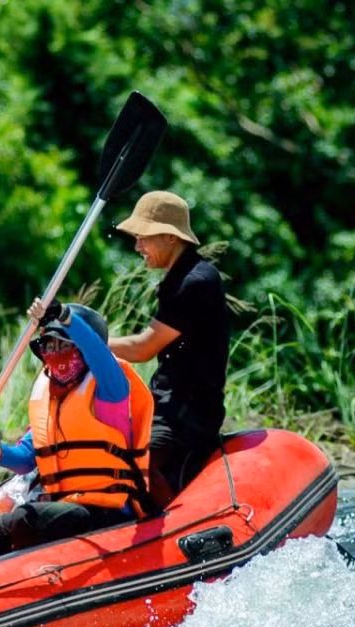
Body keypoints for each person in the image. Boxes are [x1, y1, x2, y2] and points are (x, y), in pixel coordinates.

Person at [30, 190, 227, 505]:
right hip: (166, 403)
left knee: (139, 463)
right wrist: (69, 337)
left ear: (169, 238)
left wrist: (81, 342)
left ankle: (162, 528)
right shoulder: (177, 279)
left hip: (189, 413)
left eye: (143, 238)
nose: (137, 247)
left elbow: (143, 347)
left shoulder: (196, 281)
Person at [0, 303, 153, 554]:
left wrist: (65, 316)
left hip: (108, 508)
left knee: (26, 519)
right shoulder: (49, 400)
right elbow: (24, 461)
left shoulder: (109, 389)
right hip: (65, 505)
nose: (55, 352)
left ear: (83, 349)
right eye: (49, 345)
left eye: (64, 345)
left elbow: (99, 354)